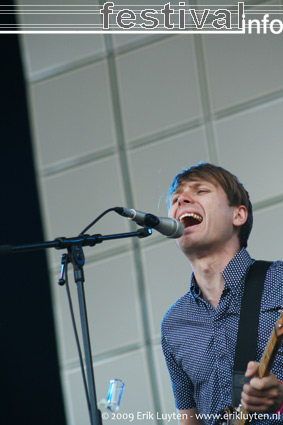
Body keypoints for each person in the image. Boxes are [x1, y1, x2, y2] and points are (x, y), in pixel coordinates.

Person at [161, 163, 283, 425]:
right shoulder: (173, 324)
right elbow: (189, 419)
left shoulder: (280, 281)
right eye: (175, 199)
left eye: (200, 190)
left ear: (238, 215)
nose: (181, 199)